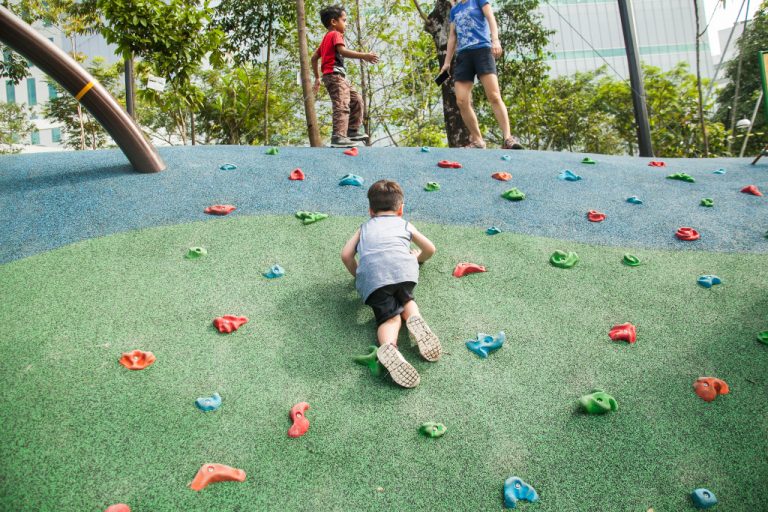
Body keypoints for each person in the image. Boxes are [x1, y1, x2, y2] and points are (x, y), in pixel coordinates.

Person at [341, 180, 441, 388]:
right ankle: (415, 318)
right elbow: (430, 248)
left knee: (391, 318)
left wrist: (358, 274)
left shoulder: (364, 228)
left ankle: (389, 347)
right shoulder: (404, 223)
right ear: (400, 209)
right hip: (405, 271)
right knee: (406, 298)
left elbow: (346, 255)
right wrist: (418, 258)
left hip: (375, 277)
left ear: (370, 210)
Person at [438, 0, 524, 150]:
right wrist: (447, 62)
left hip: (482, 51)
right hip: (463, 55)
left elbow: (490, 18)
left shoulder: (478, 1)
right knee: (461, 100)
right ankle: (478, 140)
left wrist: (495, 40)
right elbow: (453, 36)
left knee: (494, 96)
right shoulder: (455, 10)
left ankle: (508, 138)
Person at [311, 5, 379, 148]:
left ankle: (352, 130)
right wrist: (364, 56)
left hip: (337, 76)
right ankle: (338, 136)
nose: (346, 23)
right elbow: (342, 51)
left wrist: (317, 78)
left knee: (356, 100)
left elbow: (314, 58)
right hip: (334, 76)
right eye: (344, 20)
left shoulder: (325, 39)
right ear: (334, 22)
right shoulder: (335, 34)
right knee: (342, 104)